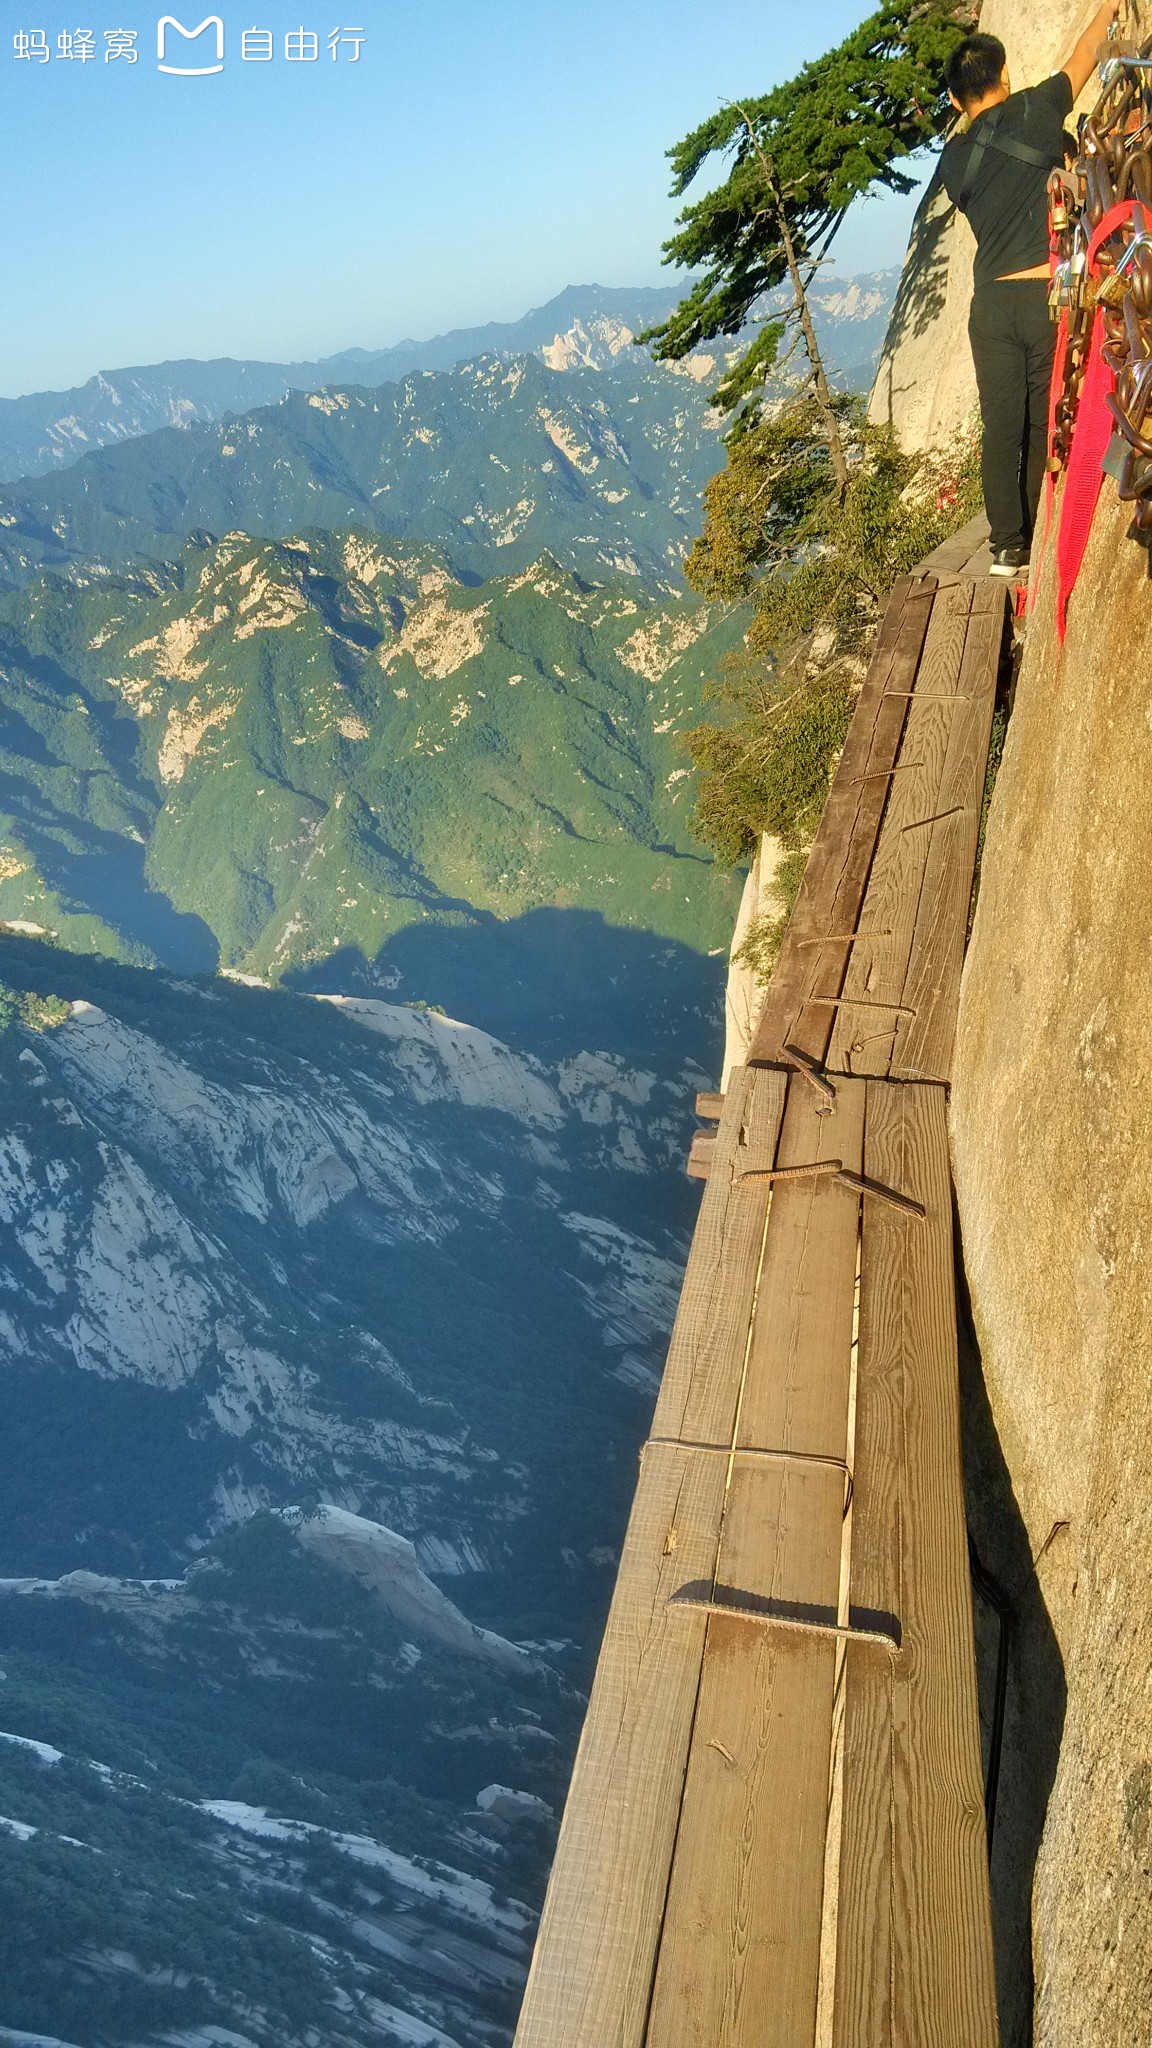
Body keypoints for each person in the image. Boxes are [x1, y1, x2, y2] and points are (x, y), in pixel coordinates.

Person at [939, 2, 1121, 577]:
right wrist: (1113, 5)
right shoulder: (1039, 108)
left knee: (1001, 427)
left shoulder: (953, 161)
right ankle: (1040, 532)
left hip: (990, 305)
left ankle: (1005, 548)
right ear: (1006, 75)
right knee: (1043, 420)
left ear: (954, 100)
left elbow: (973, 198)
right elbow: (1088, 52)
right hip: (1047, 298)